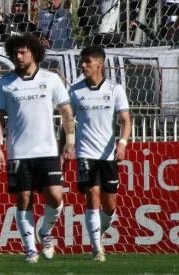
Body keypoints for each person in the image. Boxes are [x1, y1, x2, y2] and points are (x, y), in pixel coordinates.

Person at [0, 33, 75, 263]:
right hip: (19, 151)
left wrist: (70, 140)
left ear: (34, 53)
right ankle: (30, 250)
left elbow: (66, 111)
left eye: (22, 52)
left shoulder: (51, 79)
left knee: (55, 197)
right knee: (24, 199)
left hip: (48, 150)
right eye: (14, 53)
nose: (18, 56)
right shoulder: (6, 83)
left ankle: (45, 231)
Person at [60, 45, 131, 261]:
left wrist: (123, 143)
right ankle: (96, 248)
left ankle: (98, 234)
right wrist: (65, 146)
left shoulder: (114, 89)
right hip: (85, 153)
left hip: (108, 154)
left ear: (99, 63)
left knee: (110, 207)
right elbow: (68, 121)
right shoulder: (75, 91)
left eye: (87, 61)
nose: (83, 65)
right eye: (82, 61)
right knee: (92, 197)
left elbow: (126, 120)